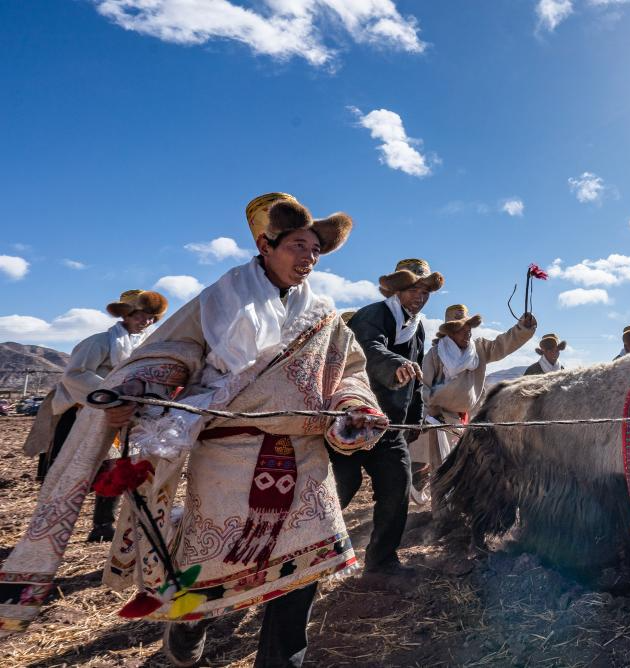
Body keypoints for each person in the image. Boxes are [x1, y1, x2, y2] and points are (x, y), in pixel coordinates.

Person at [0, 193, 388, 668]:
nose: (308, 257)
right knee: (216, 565)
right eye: (298, 246)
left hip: (306, 455)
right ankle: (190, 621)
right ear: (267, 245)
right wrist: (137, 388)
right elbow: (170, 353)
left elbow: (348, 370)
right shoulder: (219, 300)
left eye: (315, 250)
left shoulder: (326, 316)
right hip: (230, 456)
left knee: (305, 572)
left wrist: (354, 403)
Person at [24, 289, 167, 542]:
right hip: (83, 412)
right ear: (127, 315)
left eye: (150, 317)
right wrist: (114, 394)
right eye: (141, 315)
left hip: (121, 415)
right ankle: (46, 530)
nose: (146, 321)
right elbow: (75, 375)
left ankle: (102, 525)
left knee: (115, 467)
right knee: (71, 470)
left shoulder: (147, 346)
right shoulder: (99, 342)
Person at [332, 258, 443, 579]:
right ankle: (309, 552)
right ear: (396, 290)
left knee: (397, 485)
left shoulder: (417, 326)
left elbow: (417, 371)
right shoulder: (372, 315)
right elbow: (367, 349)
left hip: (390, 425)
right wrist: (394, 364)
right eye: (412, 289)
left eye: (425, 290)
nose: (419, 296)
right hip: (353, 420)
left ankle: (381, 561)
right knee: (342, 486)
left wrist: (416, 416)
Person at [413, 305, 536, 484]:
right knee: (441, 468)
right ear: (450, 332)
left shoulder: (479, 350)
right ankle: (441, 510)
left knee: (466, 467)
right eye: (461, 329)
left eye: (469, 327)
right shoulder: (434, 355)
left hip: (468, 419)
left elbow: (502, 345)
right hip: (438, 419)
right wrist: (432, 412)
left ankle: (460, 506)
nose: (467, 332)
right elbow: (423, 386)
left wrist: (522, 329)